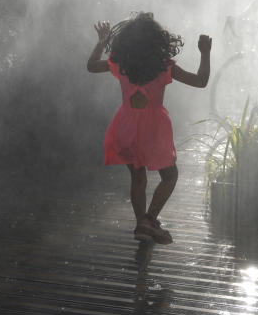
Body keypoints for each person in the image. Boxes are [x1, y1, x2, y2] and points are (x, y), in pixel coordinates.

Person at [87, 13, 211, 245]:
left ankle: (141, 225)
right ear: (158, 40)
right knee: (170, 176)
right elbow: (200, 81)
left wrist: (102, 41)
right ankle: (149, 219)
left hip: (126, 126)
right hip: (154, 130)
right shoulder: (164, 66)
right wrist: (205, 52)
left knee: (138, 178)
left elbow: (91, 66)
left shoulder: (120, 63)